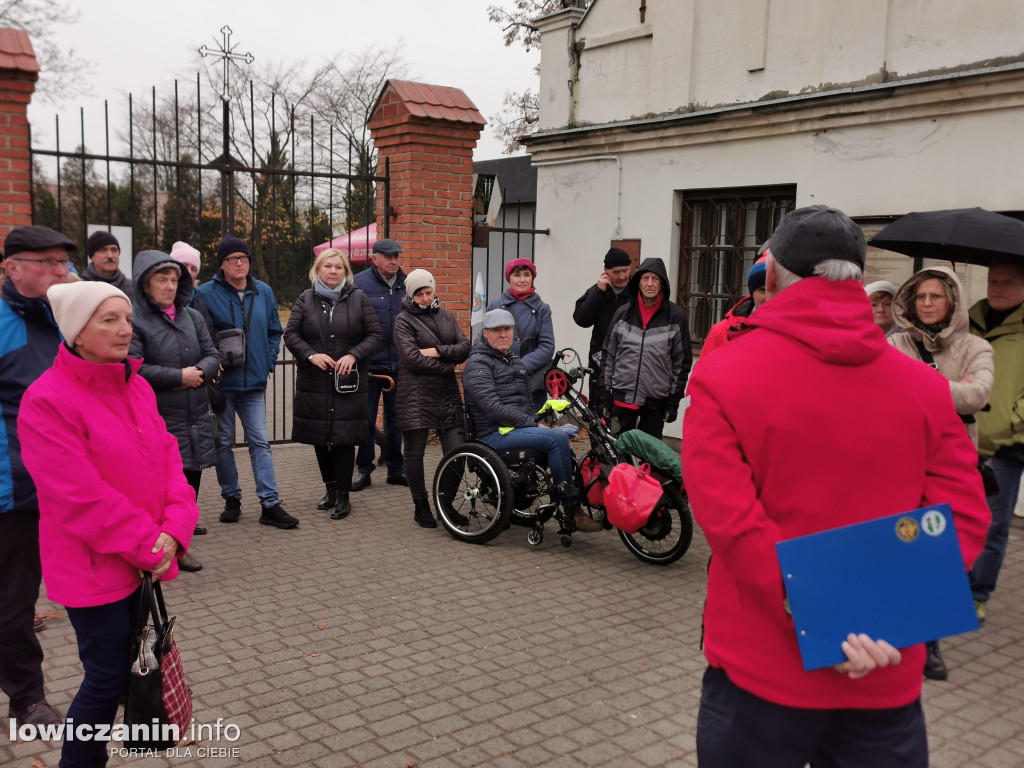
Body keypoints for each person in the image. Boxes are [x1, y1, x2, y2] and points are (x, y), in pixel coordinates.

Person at [682, 204, 990, 768]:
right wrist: (880, 614)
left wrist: (827, 619)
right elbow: (965, 515)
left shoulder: (723, 375)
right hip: (881, 665)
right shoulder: (924, 387)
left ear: (770, 272)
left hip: (762, 671)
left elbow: (733, 522)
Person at [19, 280, 199, 768]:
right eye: (109, 320)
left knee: (122, 673)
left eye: (126, 319)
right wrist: (150, 544)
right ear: (77, 333)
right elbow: (78, 496)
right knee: (105, 680)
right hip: (94, 567)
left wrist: (177, 526)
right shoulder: (46, 400)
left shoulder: (134, 384)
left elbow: (167, 462)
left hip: (142, 559)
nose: (125, 330)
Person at [889, 265, 994, 680]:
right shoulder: (896, 342)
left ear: (952, 300)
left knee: (943, 547)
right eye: (920, 297)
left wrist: (921, 384)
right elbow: (893, 391)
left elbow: (978, 394)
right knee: (904, 540)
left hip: (953, 464)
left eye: (936, 296)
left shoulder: (976, 347)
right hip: (904, 457)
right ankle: (900, 627)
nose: (928, 303)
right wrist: (948, 388)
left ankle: (929, 641)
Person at [0, 225, 75, 730]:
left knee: (94, 592)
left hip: (73, 491)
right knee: (14, 605)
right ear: (12, 268)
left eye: (63, 262)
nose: (59, 270)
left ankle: (109, 682)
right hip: (16, 495)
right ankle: (26, 697)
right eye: (45, 261)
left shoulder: (70, 320)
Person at [463, 308, 602, 534]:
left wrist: (544, 422)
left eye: (507, 329)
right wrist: (536, 426)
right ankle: (571, 511)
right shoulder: (478, 364)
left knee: (561, 442)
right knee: (555, 439)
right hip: (493, 435)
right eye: (496, 330)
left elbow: (526, 406)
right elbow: (492, 408)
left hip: (512, 430)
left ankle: (572, 502)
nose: (503, 335)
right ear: (485, 333)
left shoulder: (515, 362)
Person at [129, 249, 223, 572]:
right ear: (145, 283)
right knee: (158, 483)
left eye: (174, 279)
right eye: (161, 279)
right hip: (157, 416)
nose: (169, 286)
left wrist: (199, 371)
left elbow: (213, 354)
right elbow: (132, 369)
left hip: (195, 414)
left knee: (190, 478)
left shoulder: (191, 317)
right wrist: (177, 378)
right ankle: (153, 547)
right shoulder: (134, 320)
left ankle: (180, 545)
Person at [196, 235, 297, 529]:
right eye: (232, 259)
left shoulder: (263, 291)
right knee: (222, 442)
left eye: (243, 258)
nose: (239, 263)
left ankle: (270, 503)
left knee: (260, 442)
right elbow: (201, 335)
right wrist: (212, 367)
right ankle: (231, 498)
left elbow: (274, 331)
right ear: (222, 265)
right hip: (221, 385)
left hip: (254, 384)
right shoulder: (205, 293)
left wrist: (266, 362)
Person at [284, 249, 381, 520]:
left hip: (347, 383)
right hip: (314, 381)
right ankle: (329, 490)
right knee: (320, 438)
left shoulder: (359, 299)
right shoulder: (306, 298)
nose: (334, 271)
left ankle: (343, 496)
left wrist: (354, 354)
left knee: (342, 439)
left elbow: (375, 335)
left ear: (346, 273)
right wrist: (311, 354)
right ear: (318, 269)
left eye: (339, 267)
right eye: (328, 266)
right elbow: (291, 335)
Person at [967, 256, 1024, 624]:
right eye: (993, 280)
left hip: (1003, 446)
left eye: (1007, 281)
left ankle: (976, 594)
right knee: (948, 518)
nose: (997, 287)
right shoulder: (968, 321)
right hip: (960, 439)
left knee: (992, 525)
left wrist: (1012, 422)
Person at [393, 268, 471, 528]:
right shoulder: (403, 321)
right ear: (411, 295)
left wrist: (437, 350)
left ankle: (444, 504)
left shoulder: (447, 315)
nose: (426, 297)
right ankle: (421, 505)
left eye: (429, 291)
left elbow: (464, 347)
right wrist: (448, 365)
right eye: (420, 293)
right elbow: (411, 359)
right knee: (414, 453)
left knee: (457, 451)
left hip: (446, 394)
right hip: (414, 393)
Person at [600, 257, 692, 438]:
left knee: (650, 458)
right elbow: (608, 356)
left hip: (655, 402)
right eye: (645, 278)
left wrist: (673, 401)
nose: (650, 284)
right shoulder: (623, 314)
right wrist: (604, 394)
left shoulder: (675, 317)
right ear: (638, 283)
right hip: (622, 398)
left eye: (655, 279)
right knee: (620, 453)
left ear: (663, 284)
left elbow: (681, 363)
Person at [352, 238, 407, 491]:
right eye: (388, 256)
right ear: (375, 258)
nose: (394, 260)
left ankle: (397, 469)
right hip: (370, 365)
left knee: (396, 420)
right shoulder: (359, 283)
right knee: (365, 418)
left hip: (401, 364)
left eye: (396, 256)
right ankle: (364, 469)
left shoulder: (408, 284)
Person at [488, 257, 556, 410]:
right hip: (502, 378)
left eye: (527, 274)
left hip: (531, 379)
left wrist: (521, 366)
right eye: (517, 275)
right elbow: (486, 341)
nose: (522, 280)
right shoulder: (495, 306)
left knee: (535, 426)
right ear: (509, 278)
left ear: (532, 278)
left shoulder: (542, 309)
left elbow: (547, 346)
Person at [572, 247, 632, 405]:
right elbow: (581, 319)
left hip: (630, 366)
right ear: (606, 272)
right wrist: (599, 292)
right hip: (601, 367)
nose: (622, 276)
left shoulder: (637, 292)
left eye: (625, 270)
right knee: (600, 415)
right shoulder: (596, 291)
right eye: (616, 272)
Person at [700, 255, 768, 358]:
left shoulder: (796, 333)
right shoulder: (721, 332)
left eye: (776, 289)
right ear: (752, 293)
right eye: (762, 290)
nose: (769, 297)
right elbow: (703, 373)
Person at [170, 240, 214, 331]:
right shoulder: (161, 296)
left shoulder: (199, 302)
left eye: (193, 269)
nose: (188, 271)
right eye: (184, 265)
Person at [80, 229, 134, 298]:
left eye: (114, 250)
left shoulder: (132, 288)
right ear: (92, 257)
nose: (110, 256)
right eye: (103, 250)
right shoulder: (81, 288)